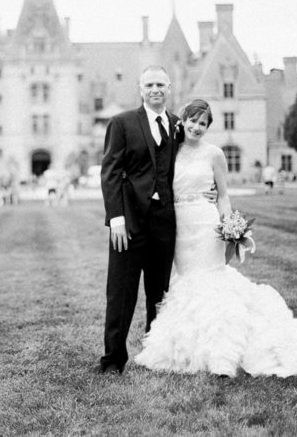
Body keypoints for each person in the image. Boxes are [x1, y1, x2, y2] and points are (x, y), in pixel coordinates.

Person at [134, 99, 297, 377]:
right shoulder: (170, 152)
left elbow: (223, 194)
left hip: (207, 225)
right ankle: (191, 345)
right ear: (182, 121)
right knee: (188, 282)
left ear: (208, 127)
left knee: (212, 279)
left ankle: (222, 354)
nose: (196, 127)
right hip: (181, 228)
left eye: (203, 123)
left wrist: (228, 225)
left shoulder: (215, 155)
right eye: (192, 120)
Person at [98, 66, 185, 375]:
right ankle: (113, 360)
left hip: (164, 221)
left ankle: (155, 354)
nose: (155, 89)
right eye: (149, 84)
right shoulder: (122, 123)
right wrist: (116, 218)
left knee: (159, 292)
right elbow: (110, 172)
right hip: (129, 221)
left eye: (161, 83)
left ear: (170, 88)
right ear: (140, 89)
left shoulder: (178, 126)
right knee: (120, 291)